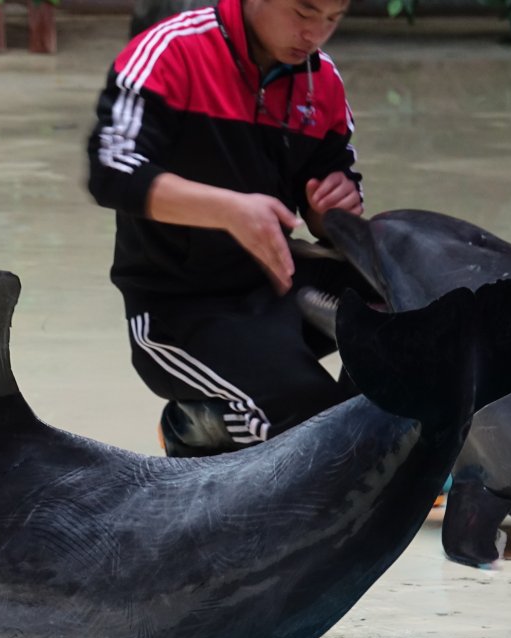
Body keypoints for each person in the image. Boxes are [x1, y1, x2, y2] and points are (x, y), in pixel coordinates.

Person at [87, 0, 370, 456]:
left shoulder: (322, 80)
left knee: (408, 303)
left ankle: (384, 444)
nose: (316, 34)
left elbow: (333, 208)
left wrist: (332, 208)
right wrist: (229, 211)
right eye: (303, 13)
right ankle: (197, 425)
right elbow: (110, 170)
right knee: (315, 432)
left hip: (277, 284)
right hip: (178, 309)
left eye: (333, 19)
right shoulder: (171, 51)